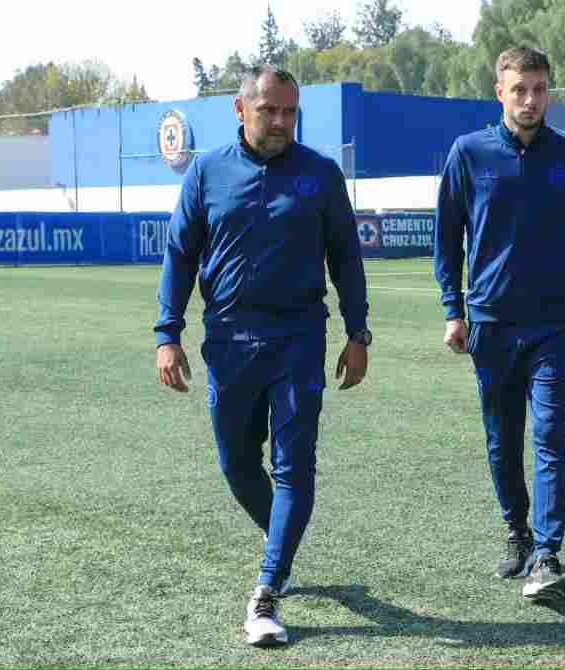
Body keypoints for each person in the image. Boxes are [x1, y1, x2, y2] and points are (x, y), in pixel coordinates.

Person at [154, 66, 371, 647]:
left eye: (289, 113)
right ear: (240, 109)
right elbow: (179, 255)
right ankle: (283, 539)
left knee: (295, 466)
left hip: (300, 338)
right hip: (228, 340)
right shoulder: (206, 171)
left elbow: (346, 256)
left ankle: (268, 586)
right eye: (269, 111)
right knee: (237, 464)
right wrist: (166, 334)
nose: (279, 123)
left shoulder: (319, 174)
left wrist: (359, 333)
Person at [434, 45, 565, 603]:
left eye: (539, 89)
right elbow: (447, 238)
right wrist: (453, 308)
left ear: (549, 91)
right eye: (519, 90)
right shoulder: (468, 154)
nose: (530, 100)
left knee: (548, 432)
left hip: (556, 325)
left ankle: (547, 552)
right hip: (491, 323)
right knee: (502, 438)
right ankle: (517, 533)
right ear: (500, 92)